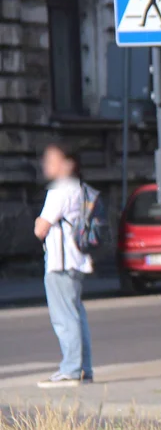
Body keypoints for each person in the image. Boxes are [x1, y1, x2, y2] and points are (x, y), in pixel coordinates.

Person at [35, 142, 94, 388]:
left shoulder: (60, 190)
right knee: (76, 316)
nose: (46, 165)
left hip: (60, 261)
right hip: (76, 259)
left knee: (64, 317)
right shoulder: (80, 189)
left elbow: (41, 228)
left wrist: (38, 221)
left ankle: (71, 370)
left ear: (68, 164)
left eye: (52, 160)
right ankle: (83, 370)